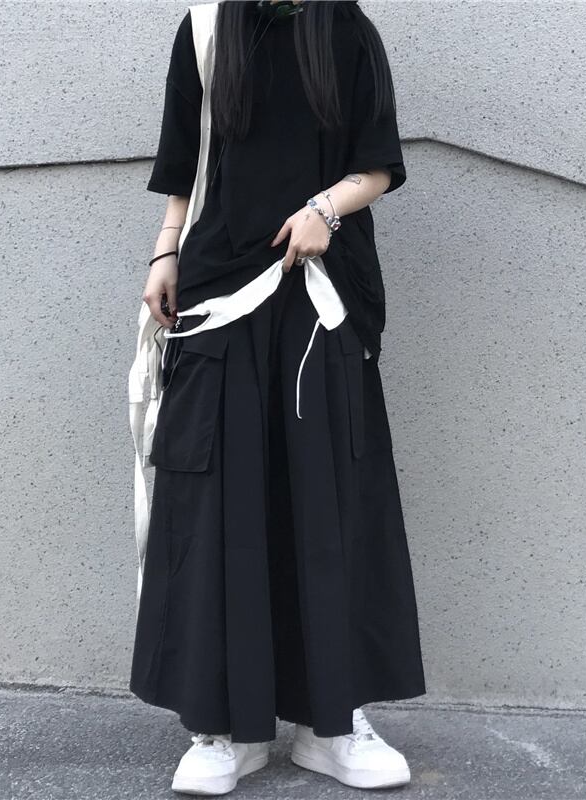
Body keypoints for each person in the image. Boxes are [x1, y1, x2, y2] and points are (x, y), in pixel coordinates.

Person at [129, 0, 426, 794]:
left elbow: (377, 165)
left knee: (327, 505)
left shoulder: (346, 30)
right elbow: (184, 161)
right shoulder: (205, 28)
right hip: (219, 293)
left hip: (322, 296)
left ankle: (333, 726)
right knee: (219, 507)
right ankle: (223, 728)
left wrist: (325, 208)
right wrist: (165, 253)